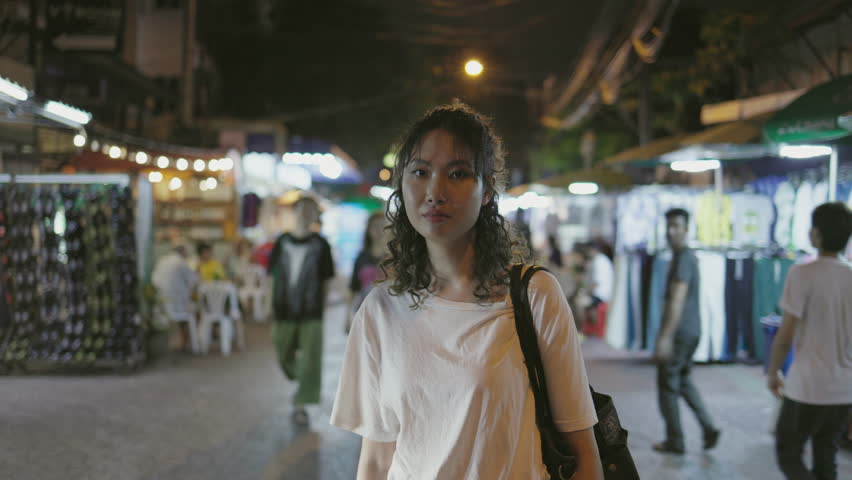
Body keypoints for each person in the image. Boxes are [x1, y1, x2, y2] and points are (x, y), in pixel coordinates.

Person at [330, 104, 603, 479]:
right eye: (420, 172)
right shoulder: (381, 309)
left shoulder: (533, 296)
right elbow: (377, 460)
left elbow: (584, 456)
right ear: (402, 185)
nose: (434, 192)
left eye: (457, 174)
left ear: (487, 190)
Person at [768, 202, 852, 480]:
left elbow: (786, 334)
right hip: (843, 389)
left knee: (788, 452)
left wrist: (773, 372)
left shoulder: (802, 273)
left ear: (816, 234)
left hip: (807, 387)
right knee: (825, 455)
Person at [653, 208, 720, 454]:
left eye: (676, 226)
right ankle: (708, 427)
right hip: (691, 330)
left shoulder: (683, 257)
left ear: (686, 229)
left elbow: (677, 298)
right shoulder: (684, 256)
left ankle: (675, 440)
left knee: (667, 386)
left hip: (680, 332)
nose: (671, 232)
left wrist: (665, 337)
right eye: (668, 226)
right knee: (683, 381)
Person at [267, 195, 335, 426]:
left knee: (311, 359)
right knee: (281, 351)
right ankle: (302, 378)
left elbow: (326, 279)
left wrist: (323, 307)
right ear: (294, 211)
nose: (306, 213)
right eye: (302, 209)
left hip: (312, 311)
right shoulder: (282, 241)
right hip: (283, 308)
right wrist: (269, 303)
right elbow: (271, 276)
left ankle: (301, 402)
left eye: (311, 210)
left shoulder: (321, 244)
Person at [345, 211, 388, 333]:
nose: (379, 230)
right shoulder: (361, 257)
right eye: (375, 226)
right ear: (368, 230)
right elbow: (353, 288)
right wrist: (347, 317)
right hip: (364, 315)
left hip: (389, 315)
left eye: (382, 226)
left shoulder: (394, 257)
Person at [152, 244, 199, 351]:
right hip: (177, 304)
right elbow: (194, 280)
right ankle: (193, 342)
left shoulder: (162, 260)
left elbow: (155, 280)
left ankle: (183, 340)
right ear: (183, 252)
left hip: (161, 305)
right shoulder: (181, 263)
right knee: (197, 309)